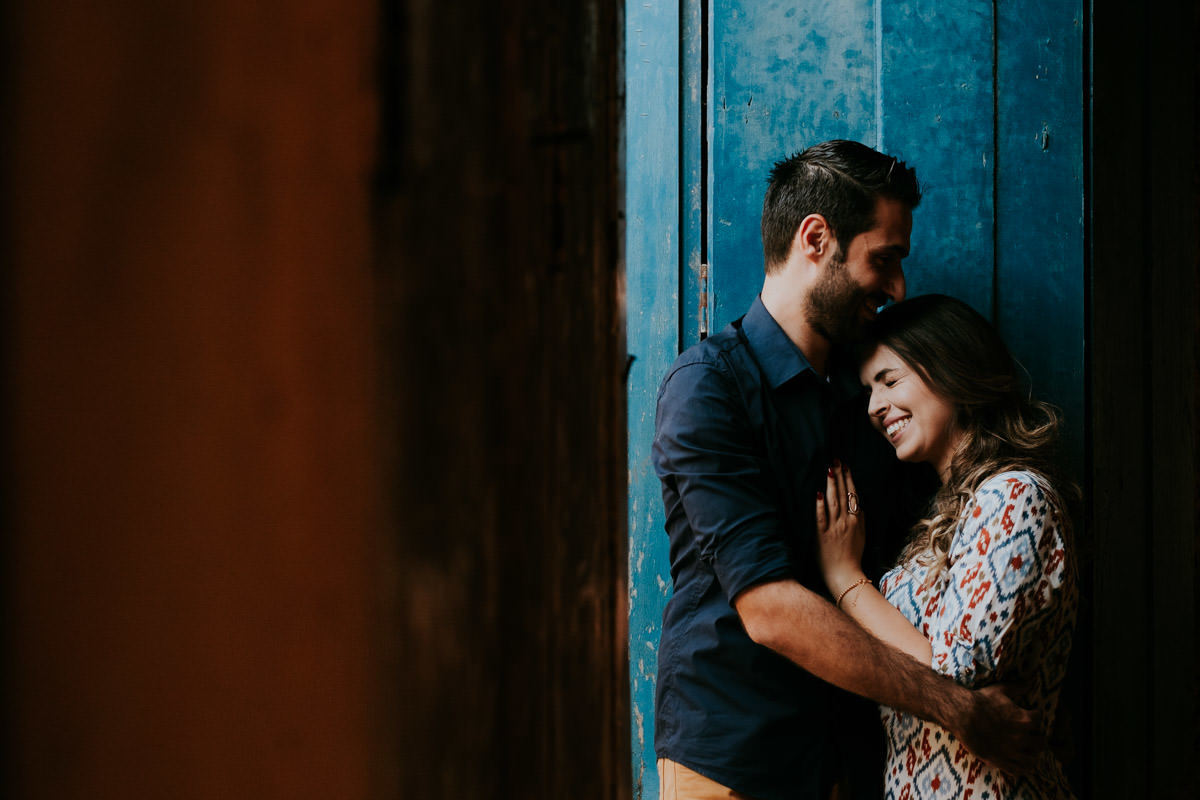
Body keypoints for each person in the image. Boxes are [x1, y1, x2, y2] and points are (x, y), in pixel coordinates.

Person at [652, 140, 1044, 800]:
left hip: (853, 763)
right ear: (816, 239)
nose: (897, 288)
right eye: (883, 259)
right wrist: (958, 708)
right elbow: (769, 608)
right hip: (736, 760)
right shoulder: (709, 388)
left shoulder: (872, 401)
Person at [816, 294, 1077, 798]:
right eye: (868, 390)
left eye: (890, 381)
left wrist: (845, 578)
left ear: (952, 369)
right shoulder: (944, 516)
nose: (873, 406)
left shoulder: (1014, 496)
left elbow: (957, 674)